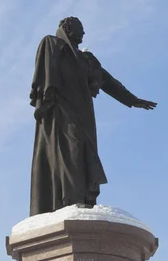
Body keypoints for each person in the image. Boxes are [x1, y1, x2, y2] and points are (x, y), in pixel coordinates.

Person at [30, 17, 157, 216]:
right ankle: (72, 199)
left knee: (83, 152)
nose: (84, 34)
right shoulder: (53, 45)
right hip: (61, 112)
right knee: (70, 148)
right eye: (80, 29)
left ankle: (81, 199)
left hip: (84, 115)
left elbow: (108, 81)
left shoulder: (86, 60)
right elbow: (45, 73)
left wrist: (132, 100)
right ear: (68, 29)